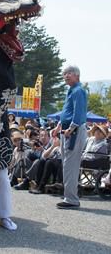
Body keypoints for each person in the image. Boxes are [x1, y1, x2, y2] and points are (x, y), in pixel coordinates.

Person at [53, 66, 87, 209]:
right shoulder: (71, 90)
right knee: (67, 165)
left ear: (77, 75)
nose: (65, 76)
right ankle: (69, 195)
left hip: (74, 131)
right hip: (67, 131)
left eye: (69, 73)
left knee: (70, 166)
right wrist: (59, 125)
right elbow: (67, 110)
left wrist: (71, 128)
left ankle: (71, 199)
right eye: (64, 74)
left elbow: (78, 112)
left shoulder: (79, 90)